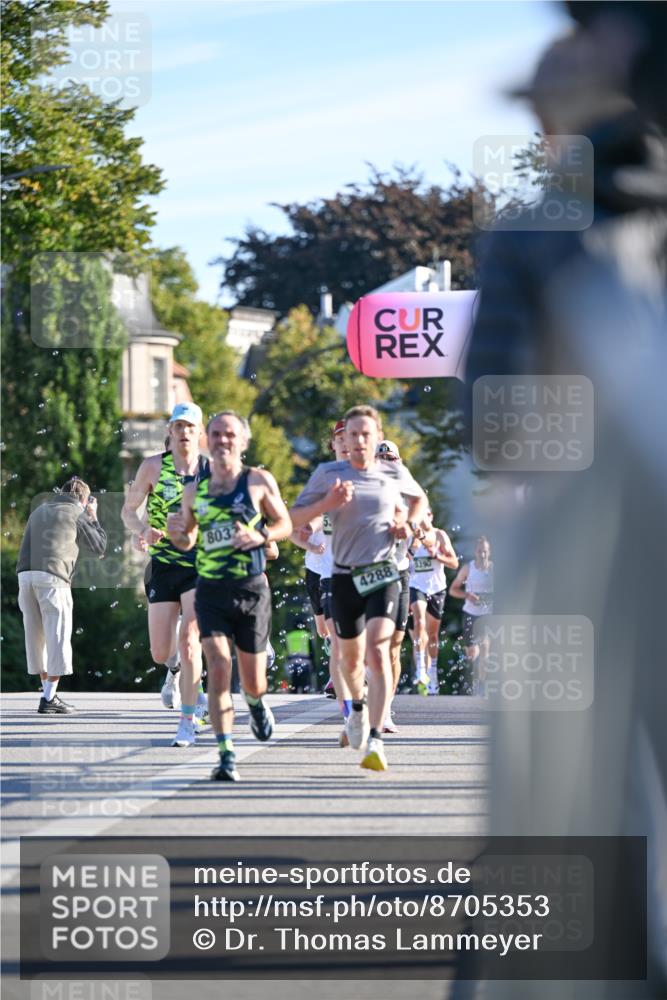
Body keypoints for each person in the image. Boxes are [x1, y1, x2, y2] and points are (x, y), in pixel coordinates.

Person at [290, 405, 428, 772]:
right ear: (344, 439)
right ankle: (355, 711)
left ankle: (377, 740)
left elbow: (420, 501)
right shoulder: (328, 473)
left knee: (379, 651)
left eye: (367, 434)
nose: (360, 441)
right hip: (343, 576)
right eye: (353, 435)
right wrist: (326, 505)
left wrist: (408, 524)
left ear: (377, 434)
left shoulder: (394, 471)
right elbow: (294, 519)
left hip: (383, 573)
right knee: (349, 659)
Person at [167, 410, 292, 782]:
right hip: (210, 590)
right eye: (217, 434)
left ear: (243, 441)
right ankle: (226, 755)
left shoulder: (258, 481)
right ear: (208, 439)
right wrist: (177, 533)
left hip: (251, 589)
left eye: (230, 434)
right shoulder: (194, 490)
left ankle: (255, 704)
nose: (222, 440)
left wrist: (262, 536)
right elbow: (188, 539)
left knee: (253, 682)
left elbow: (285, 523)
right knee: (219, 668)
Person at [121, 401, 209, 747]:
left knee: (190, 639)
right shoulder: (152, 467)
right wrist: (142, 530)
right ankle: (174, 673)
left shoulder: (210, 471)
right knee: (161, 651)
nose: (184, 433)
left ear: (199, 434)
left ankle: (188, 718)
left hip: (199, 566)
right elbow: (129, 510)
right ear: (169, 433)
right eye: (178, 427)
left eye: (190, 427)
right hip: (163, 565)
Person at [16, 476, 107, 714]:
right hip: (53, 578)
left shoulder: (40, 509)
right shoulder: (77, 513)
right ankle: (48, 699)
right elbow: (99, 547)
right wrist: (93, 516)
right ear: (85, 499)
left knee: (37, 637)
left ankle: (49, 694)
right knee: (57, 635)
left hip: (24, 577)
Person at [375, 439, 417, 731]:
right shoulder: (365, 486)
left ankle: (386, 708)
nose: (387, 460)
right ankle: (365, 702)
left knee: (393, 646)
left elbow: (422, 527)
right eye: (382, 456)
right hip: (370, 571)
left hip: (400, 571)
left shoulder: (409, 490)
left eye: (392, 457)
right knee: (371, 643)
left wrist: (414, 530)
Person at [408, 510, 459, 695]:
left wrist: (437, 555)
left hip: (437, 589)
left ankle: (433, 673)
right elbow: (403, 562)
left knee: (433, 635)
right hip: (416, 587)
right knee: (418, 623)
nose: (424, 518)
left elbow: (454, 563)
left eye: (427, 514)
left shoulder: (439, 535)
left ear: (431, 516)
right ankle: (421, 669)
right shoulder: (411, 537)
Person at [449, 537, 493, 695]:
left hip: (487, 615)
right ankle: (472, 682)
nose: (482, 554)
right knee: (472, 653)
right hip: (470, 613)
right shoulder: (468, 569)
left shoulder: (494, 570)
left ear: (490, 552)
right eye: (480, 551)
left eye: (485, 551)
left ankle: (481, 686)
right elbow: (453, 590)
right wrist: (467, 595)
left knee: (485, 648)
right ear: (475, 552)